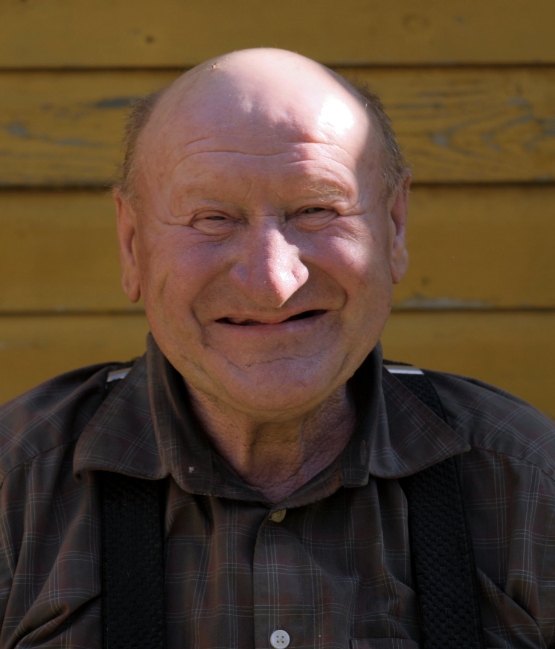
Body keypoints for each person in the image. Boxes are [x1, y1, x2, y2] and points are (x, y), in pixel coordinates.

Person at [0, 48, 553, 648]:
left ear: (393, 227)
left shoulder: (530, 487)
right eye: (213, 218)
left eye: (317, 210)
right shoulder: (16, 490)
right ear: (132, 245)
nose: (272, 281)